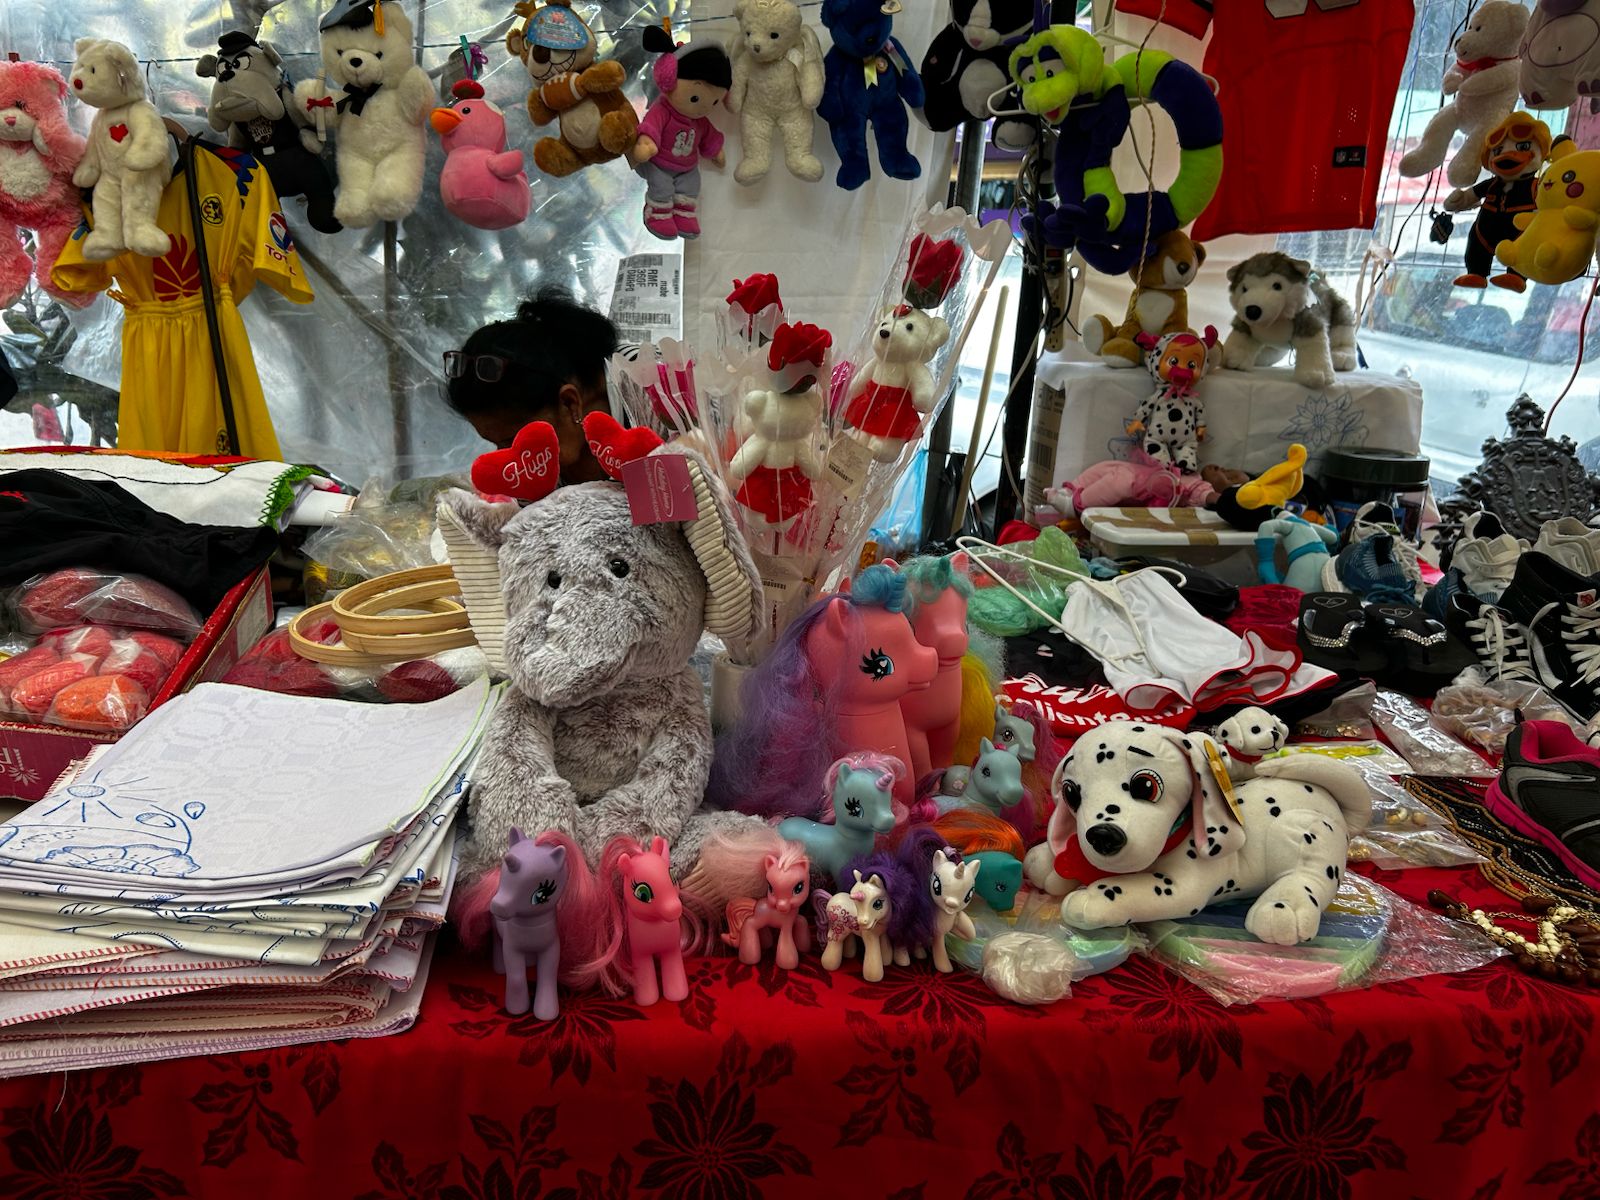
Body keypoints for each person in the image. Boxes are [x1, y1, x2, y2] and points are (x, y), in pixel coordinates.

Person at [444, 287, 618, 483]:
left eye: (514, 442)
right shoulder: (561, 452)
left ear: (569, 403)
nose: (511, 461)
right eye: (498, 445)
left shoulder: (644, 394)